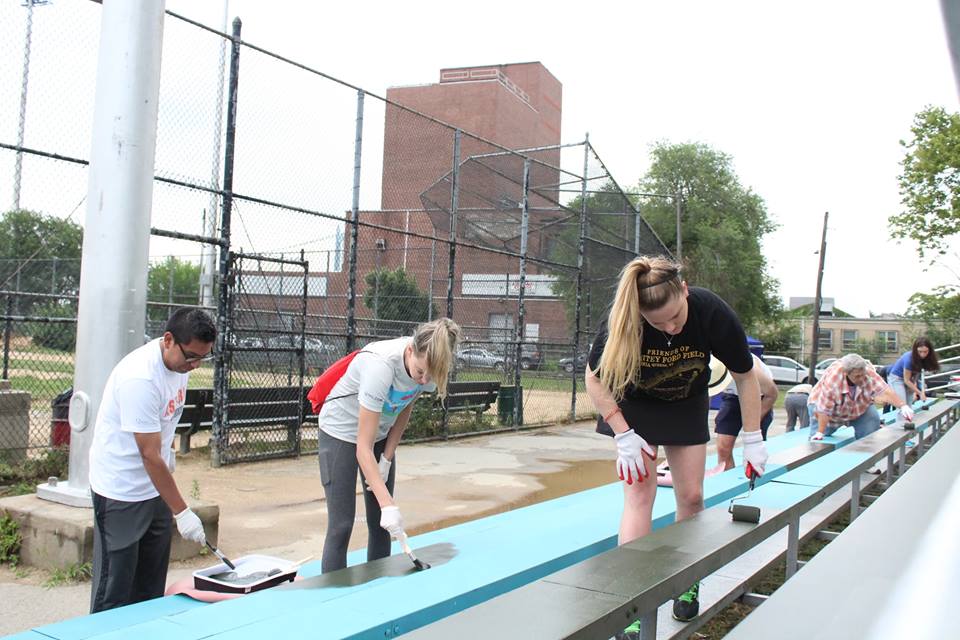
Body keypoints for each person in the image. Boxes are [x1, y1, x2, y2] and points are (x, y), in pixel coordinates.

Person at [585, 255, 767, 632]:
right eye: (658, 323)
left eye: (675, 317)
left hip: (686, 401)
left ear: (685, 291)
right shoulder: (623, 317)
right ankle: (630, 604)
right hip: (634, 407)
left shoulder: (710, 312)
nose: (669, 327)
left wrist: (752, 437)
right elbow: (594, 378)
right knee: (639, 497)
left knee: (692, 497)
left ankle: (687, 584)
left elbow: (745, 377)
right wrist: (622, 433)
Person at [88, 308, 215, 613]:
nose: (195, 365)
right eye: (190, 356)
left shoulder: (179, 366)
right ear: (168, 340)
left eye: (203, 358)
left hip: (154, 486)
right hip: (120, 489)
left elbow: (165, 425)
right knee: (114, 587)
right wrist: (182, 512)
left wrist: (169, 459)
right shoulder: (140, 378)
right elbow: (148, 454)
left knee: (149, 586)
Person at [317, 318, 462, 573]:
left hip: (379, 434)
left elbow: (405, 404)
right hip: (340, 430)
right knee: (341, 524)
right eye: (419, 372)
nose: (424, 380)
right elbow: (362, 446)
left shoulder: (429, 368)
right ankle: (333, 599)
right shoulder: (381, 367)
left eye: (430, 375)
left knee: (381, 524)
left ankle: (377, 590)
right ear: (409, 352)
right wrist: (388, 504)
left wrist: (386, 456)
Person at [808, 353, 914, 441]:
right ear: (846, 374)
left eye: (862, 375)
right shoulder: (834, 379)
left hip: (858, 406)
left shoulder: (868, 373)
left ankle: (865, 458)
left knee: (872, 418)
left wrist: (903, 406)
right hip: (827, 411)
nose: (861, 378)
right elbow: (824, 409)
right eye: (857, 376)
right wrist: (820, 432)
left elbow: (885, 391)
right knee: (820, 439)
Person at [715, 354, 778, 470]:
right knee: (723, 448)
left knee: (754, 452)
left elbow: (772, 394)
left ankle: (755, 481)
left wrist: (752, 425)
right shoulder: (709, 367)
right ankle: (727, 482)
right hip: (732, 397)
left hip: (760, 397)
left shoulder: (746, 364)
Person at [886, 337, 939, 406]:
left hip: (910, 379)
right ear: (915, 350)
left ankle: (909, 416)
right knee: (903, 406)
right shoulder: (909, 359)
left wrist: (914, 392)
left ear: (930, 351)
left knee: (909, 405)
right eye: (920, 351)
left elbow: (915, 376)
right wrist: (919, 393)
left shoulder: (925, 359)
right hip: (897, 379)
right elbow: (906, 380)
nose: (922, 355)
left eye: (925, 352)